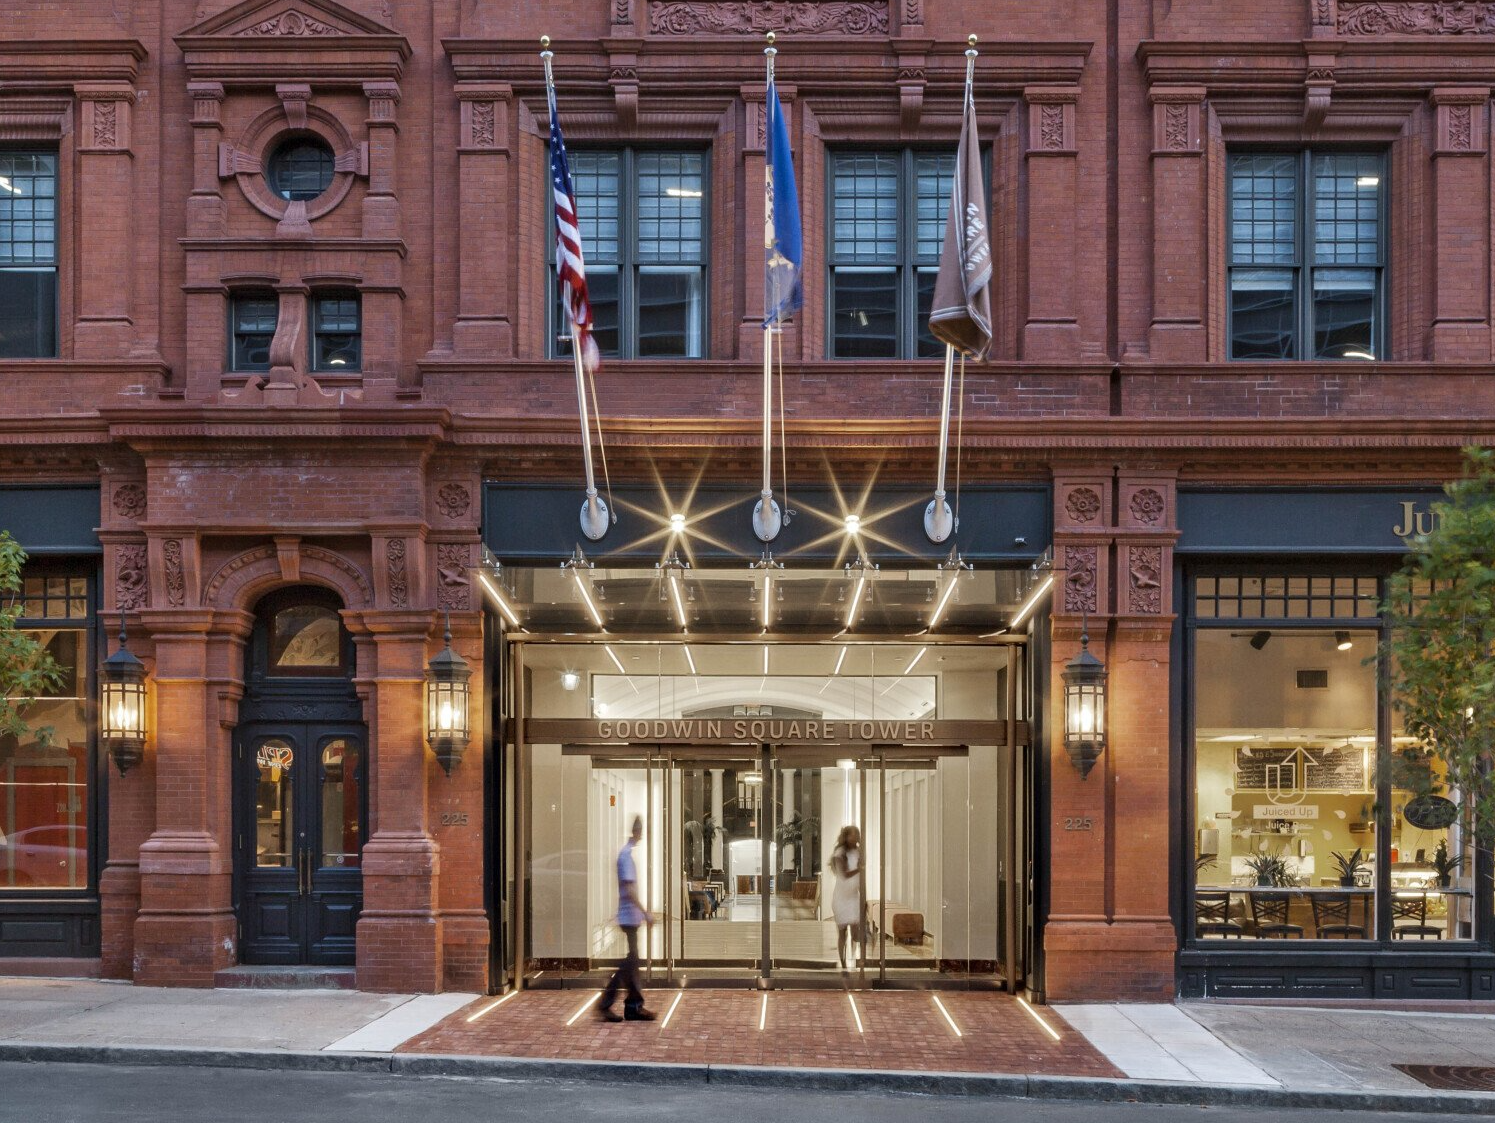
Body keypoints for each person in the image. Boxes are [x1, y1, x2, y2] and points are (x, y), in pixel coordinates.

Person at [598, 815, 655, 1022]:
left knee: (632, 961)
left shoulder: (626, 854)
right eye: (643, 832)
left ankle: (633, 1006)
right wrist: (645, 912)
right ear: (637, 832)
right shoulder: (625, 856)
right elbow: (629, 889)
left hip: (630, 916)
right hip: (629, 916)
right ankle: (609, 1004)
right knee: (630, 962)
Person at [830, 824, 864, 971]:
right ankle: (843, 962)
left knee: (856, 931)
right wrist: (859, 868)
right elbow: (843, 874)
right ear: (846, 836)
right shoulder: (839, 853)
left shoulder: (858, 851)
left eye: (856, 834)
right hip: (842, 897)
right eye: (852, 834)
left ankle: (855, 959)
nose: (855, 837)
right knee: (842, 932)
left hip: (854, 896)